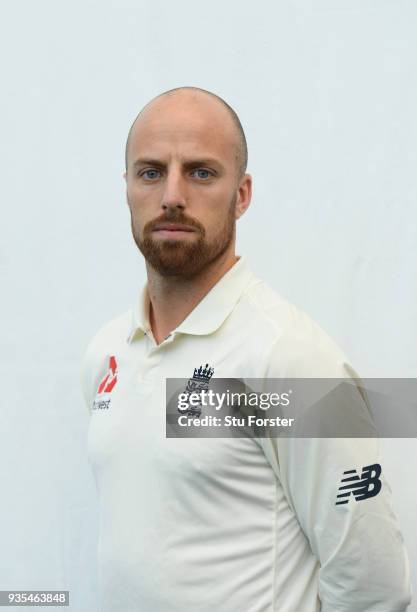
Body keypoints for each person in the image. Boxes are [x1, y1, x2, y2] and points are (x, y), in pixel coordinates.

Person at [81, 86, 411, 612]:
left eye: (201, 172)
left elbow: (373, 586)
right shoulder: (108, 353)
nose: (171, 194)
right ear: (126, 187)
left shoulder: (289, 359)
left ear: (242, 194)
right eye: (150, 172)